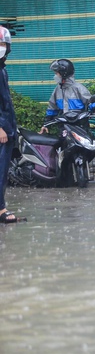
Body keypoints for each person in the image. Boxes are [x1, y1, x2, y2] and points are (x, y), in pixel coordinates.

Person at [40, 59, 95, 134]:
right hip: (64, 126)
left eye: (57, 73)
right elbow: (52, 108)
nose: (55, 75)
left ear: (64, 73)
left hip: (80, 124)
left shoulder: (78, 88)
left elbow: (90, 100)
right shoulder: (57, 90)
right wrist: (46, 124)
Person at [0, 26, 19, 224]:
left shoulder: (2, 70)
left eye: (3, 43)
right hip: (1, 130)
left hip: (7, 127)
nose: (1, 47)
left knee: (3, 171)